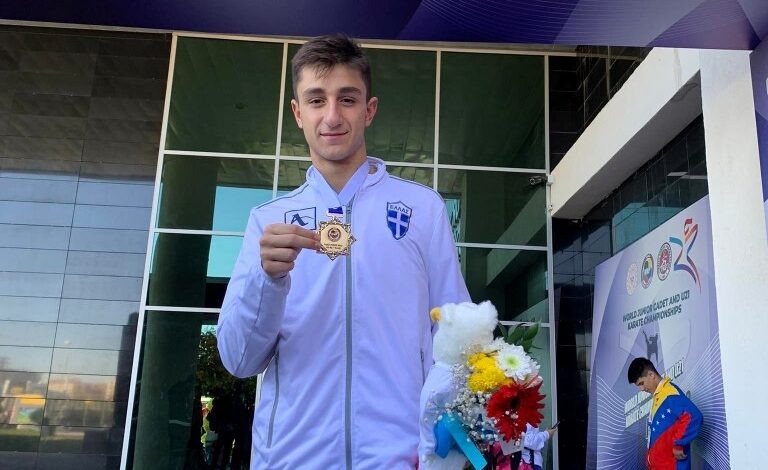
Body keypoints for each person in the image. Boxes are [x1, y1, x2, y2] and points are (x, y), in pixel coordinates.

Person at [216, 34, 470, 468]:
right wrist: (266, 280)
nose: (332, 116)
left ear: (369, 109)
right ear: (298, 113)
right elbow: (239, 360)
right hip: (292, 459)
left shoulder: (423, 209)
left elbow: (456, 341)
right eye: (316, 100)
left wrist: (443, 449)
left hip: (399, 458)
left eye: (347, 99)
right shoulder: (268, 222)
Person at [627, 357, 702, 470]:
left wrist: (679, 444)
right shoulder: (659, 396)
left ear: (651, 375)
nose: (641, 389)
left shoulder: (669, 393)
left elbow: (694, 416)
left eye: (641, 383)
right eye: (638, 385)